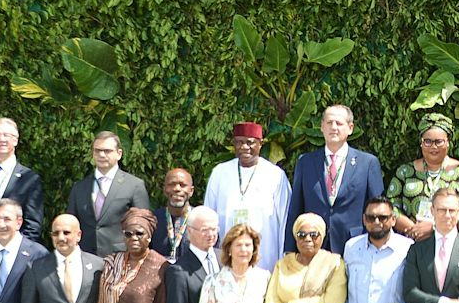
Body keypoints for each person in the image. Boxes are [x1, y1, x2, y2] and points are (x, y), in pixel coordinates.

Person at [287, 104, 385, 254]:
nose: (333, 127)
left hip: (355, 245)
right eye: (329, 123)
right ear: (321, 127)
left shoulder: (367, 163)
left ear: (350, 128)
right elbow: (295, 209)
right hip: (313, 245)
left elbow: (378, 208)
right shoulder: (305, 162)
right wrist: (289, 250)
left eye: (339, 123)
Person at [205, 122, 291, 256]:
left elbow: (285, 219)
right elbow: (208, 216)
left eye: (250, 142)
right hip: (227, 256)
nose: (244, 147)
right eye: (239, 142)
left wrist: (283, 259)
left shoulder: (276, 175)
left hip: (266, 256)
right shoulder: (219, 173)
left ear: (260, 144)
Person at [388, 120, 459, 242]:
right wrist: (414, 229)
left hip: (451, 245)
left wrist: (434, 228)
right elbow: (391, 205)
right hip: (411, 242)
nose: (433, 147)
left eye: (438, 142)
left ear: (448, 143)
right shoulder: (405, 172)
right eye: (428, 141)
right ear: (421, 143)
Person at [67, 132, 153, 257]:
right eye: (97, 151)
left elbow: (143, 226)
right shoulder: (79, 187)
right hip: (85, 259)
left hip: (121, 258)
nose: (101, 155)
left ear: (119, 154)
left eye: (107, 151)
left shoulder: (134, 185)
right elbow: (71, 223)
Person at [0, 117, 45, 243]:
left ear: (15, 140)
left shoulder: (30, 179)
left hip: (14, 254)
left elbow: (33, 225)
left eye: (7, 135)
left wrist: (18, 251)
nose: (2, 139)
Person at [152, 168, 195, 263]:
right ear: (164, 189)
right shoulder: (153, 219)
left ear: (191, 191)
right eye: (172, 184)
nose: (177, 189)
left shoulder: (201, 220)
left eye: (183, 185)